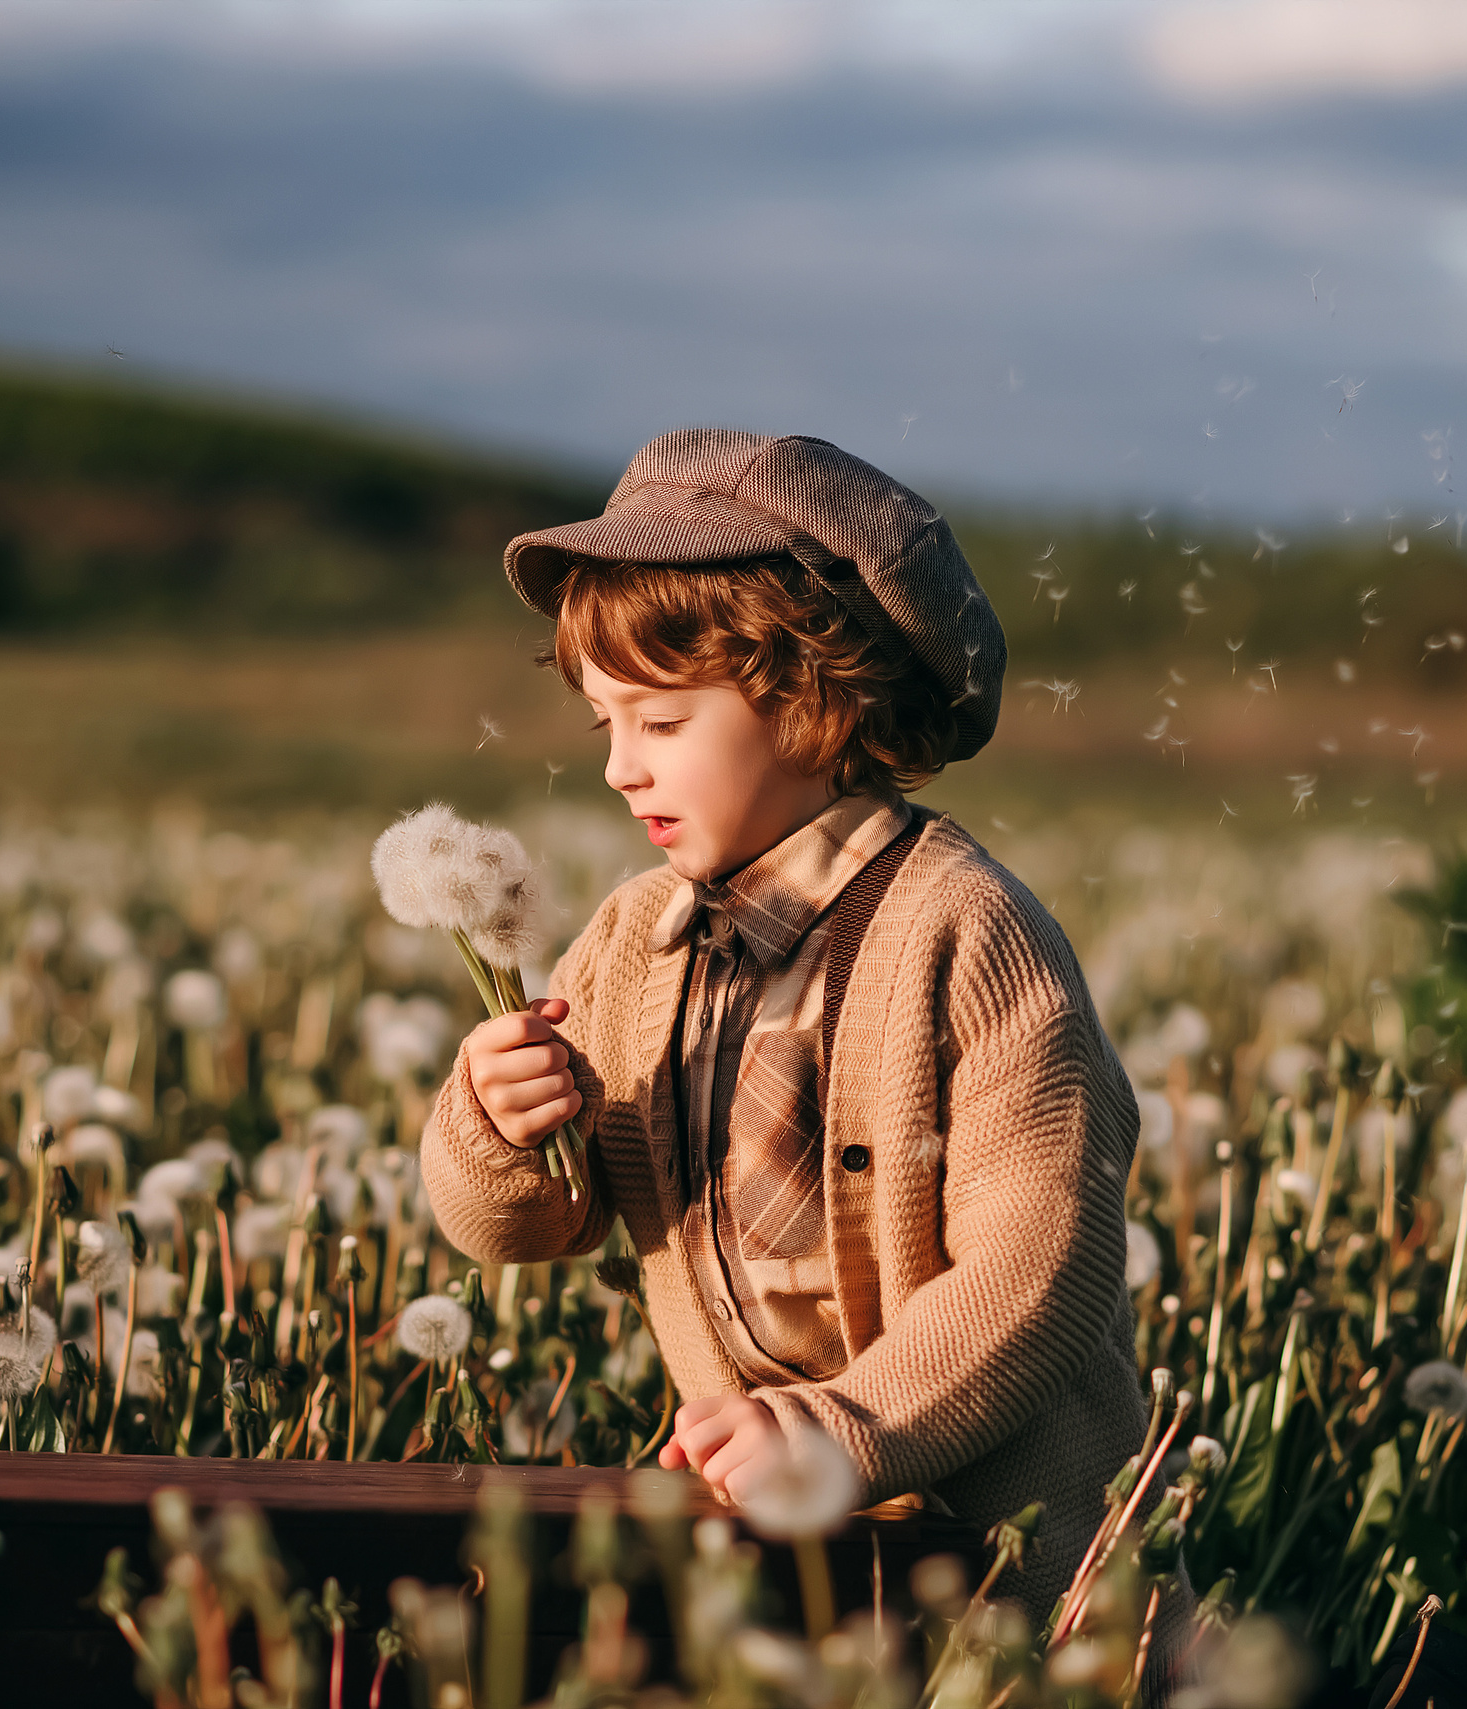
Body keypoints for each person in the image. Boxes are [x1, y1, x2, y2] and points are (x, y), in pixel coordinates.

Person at [419, 428, 1143, 1616]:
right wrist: (499, 1126)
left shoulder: (967, 931)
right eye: (605, 725)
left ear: (814, 693)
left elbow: (1040, 1260)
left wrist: (848, 1429)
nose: (617, 769)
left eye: (659, 723)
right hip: (767, 1536)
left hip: (1023, 1556)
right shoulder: (630, 942)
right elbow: (535, 1224)